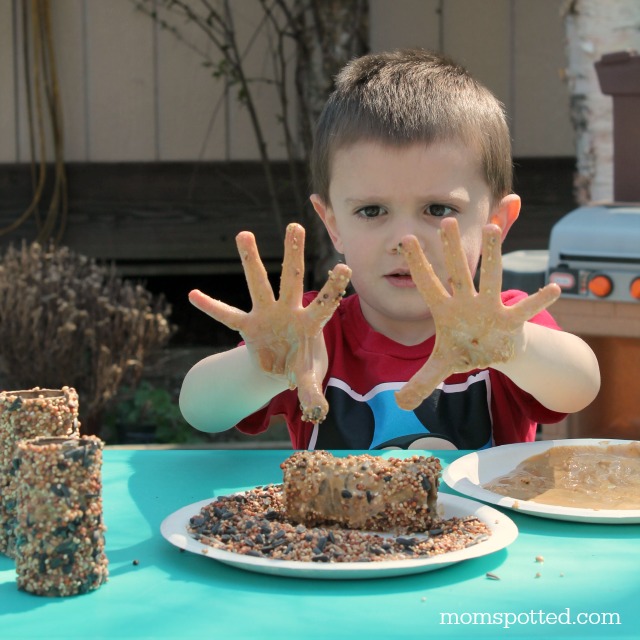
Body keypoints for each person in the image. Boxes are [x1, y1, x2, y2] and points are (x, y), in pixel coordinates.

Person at [179, 48, 600, 450]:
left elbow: (580, 386)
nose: (405, 240)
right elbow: (201, 412)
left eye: (438, 209)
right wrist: (262, 365)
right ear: (333, 226)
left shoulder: (502, 325)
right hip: (335, 528)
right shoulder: (311, 332)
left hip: (486, 526)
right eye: (371, 210)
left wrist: (516, 348)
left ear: (497, 222)